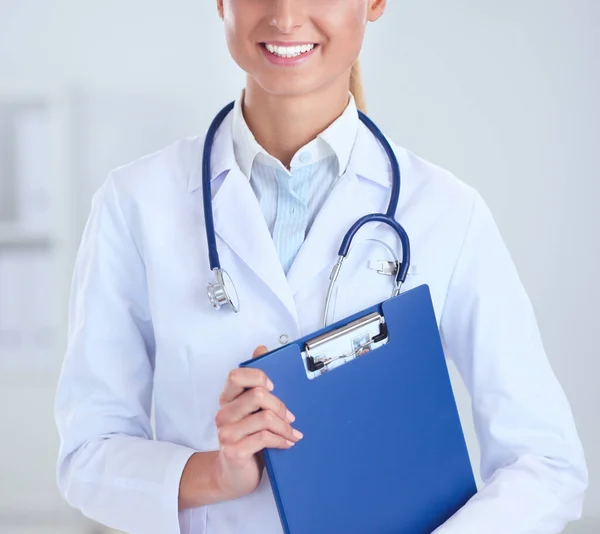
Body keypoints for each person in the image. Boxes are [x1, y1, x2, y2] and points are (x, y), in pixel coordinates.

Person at [54, 1, 588, 533]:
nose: (286, 16)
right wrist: (216, 474)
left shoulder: (447, 213)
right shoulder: (135, 204)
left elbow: (545, 464)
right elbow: (88, 454)